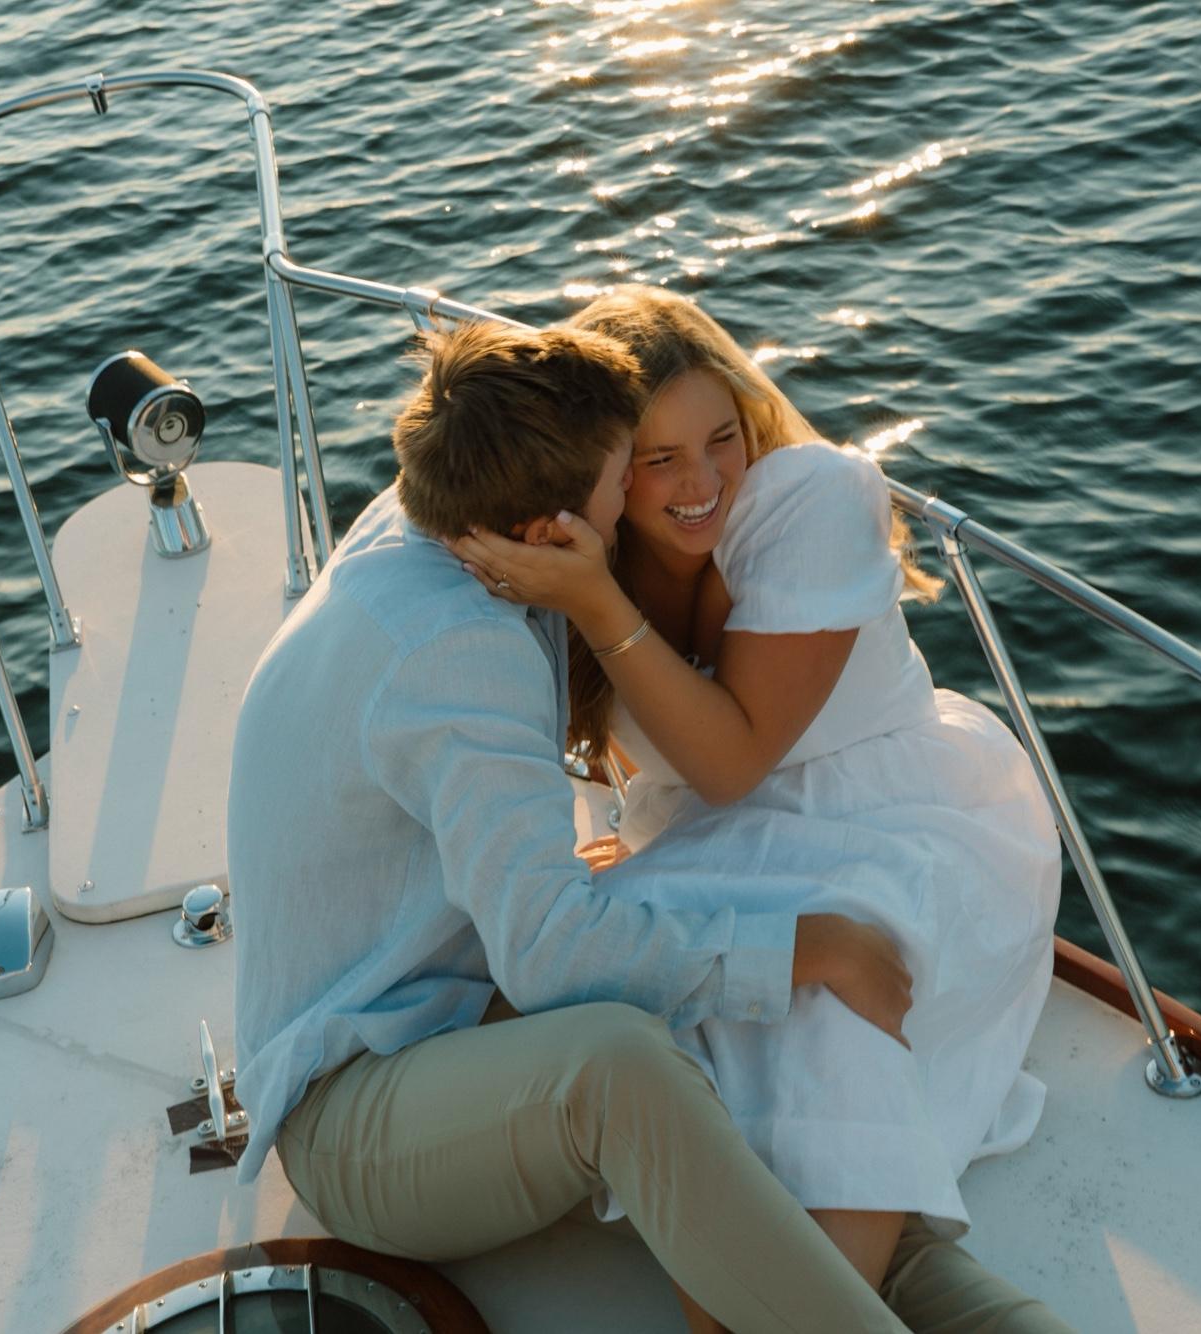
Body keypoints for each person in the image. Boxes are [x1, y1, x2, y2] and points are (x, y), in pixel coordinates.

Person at [228, 317, 981, 1334]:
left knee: (787, 1146)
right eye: (626, 473)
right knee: (626, 1066)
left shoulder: (432, 523)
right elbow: (548, 957)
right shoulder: (461, 646)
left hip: (450, 1015)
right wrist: (814, 947)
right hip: (359, 1111)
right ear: (551, 530)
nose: (640, 494)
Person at [451, 286, 1065, 1331]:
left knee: (829, 1012)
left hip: (905, 820)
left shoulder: (809, 496)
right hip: (724, 839)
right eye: (658, 459)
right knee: (633, 1030)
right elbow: (681, 785)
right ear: (607, 467)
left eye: (721, 439)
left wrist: (593, 602)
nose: (702, 483)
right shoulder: (598, 545)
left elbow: (731, 761)